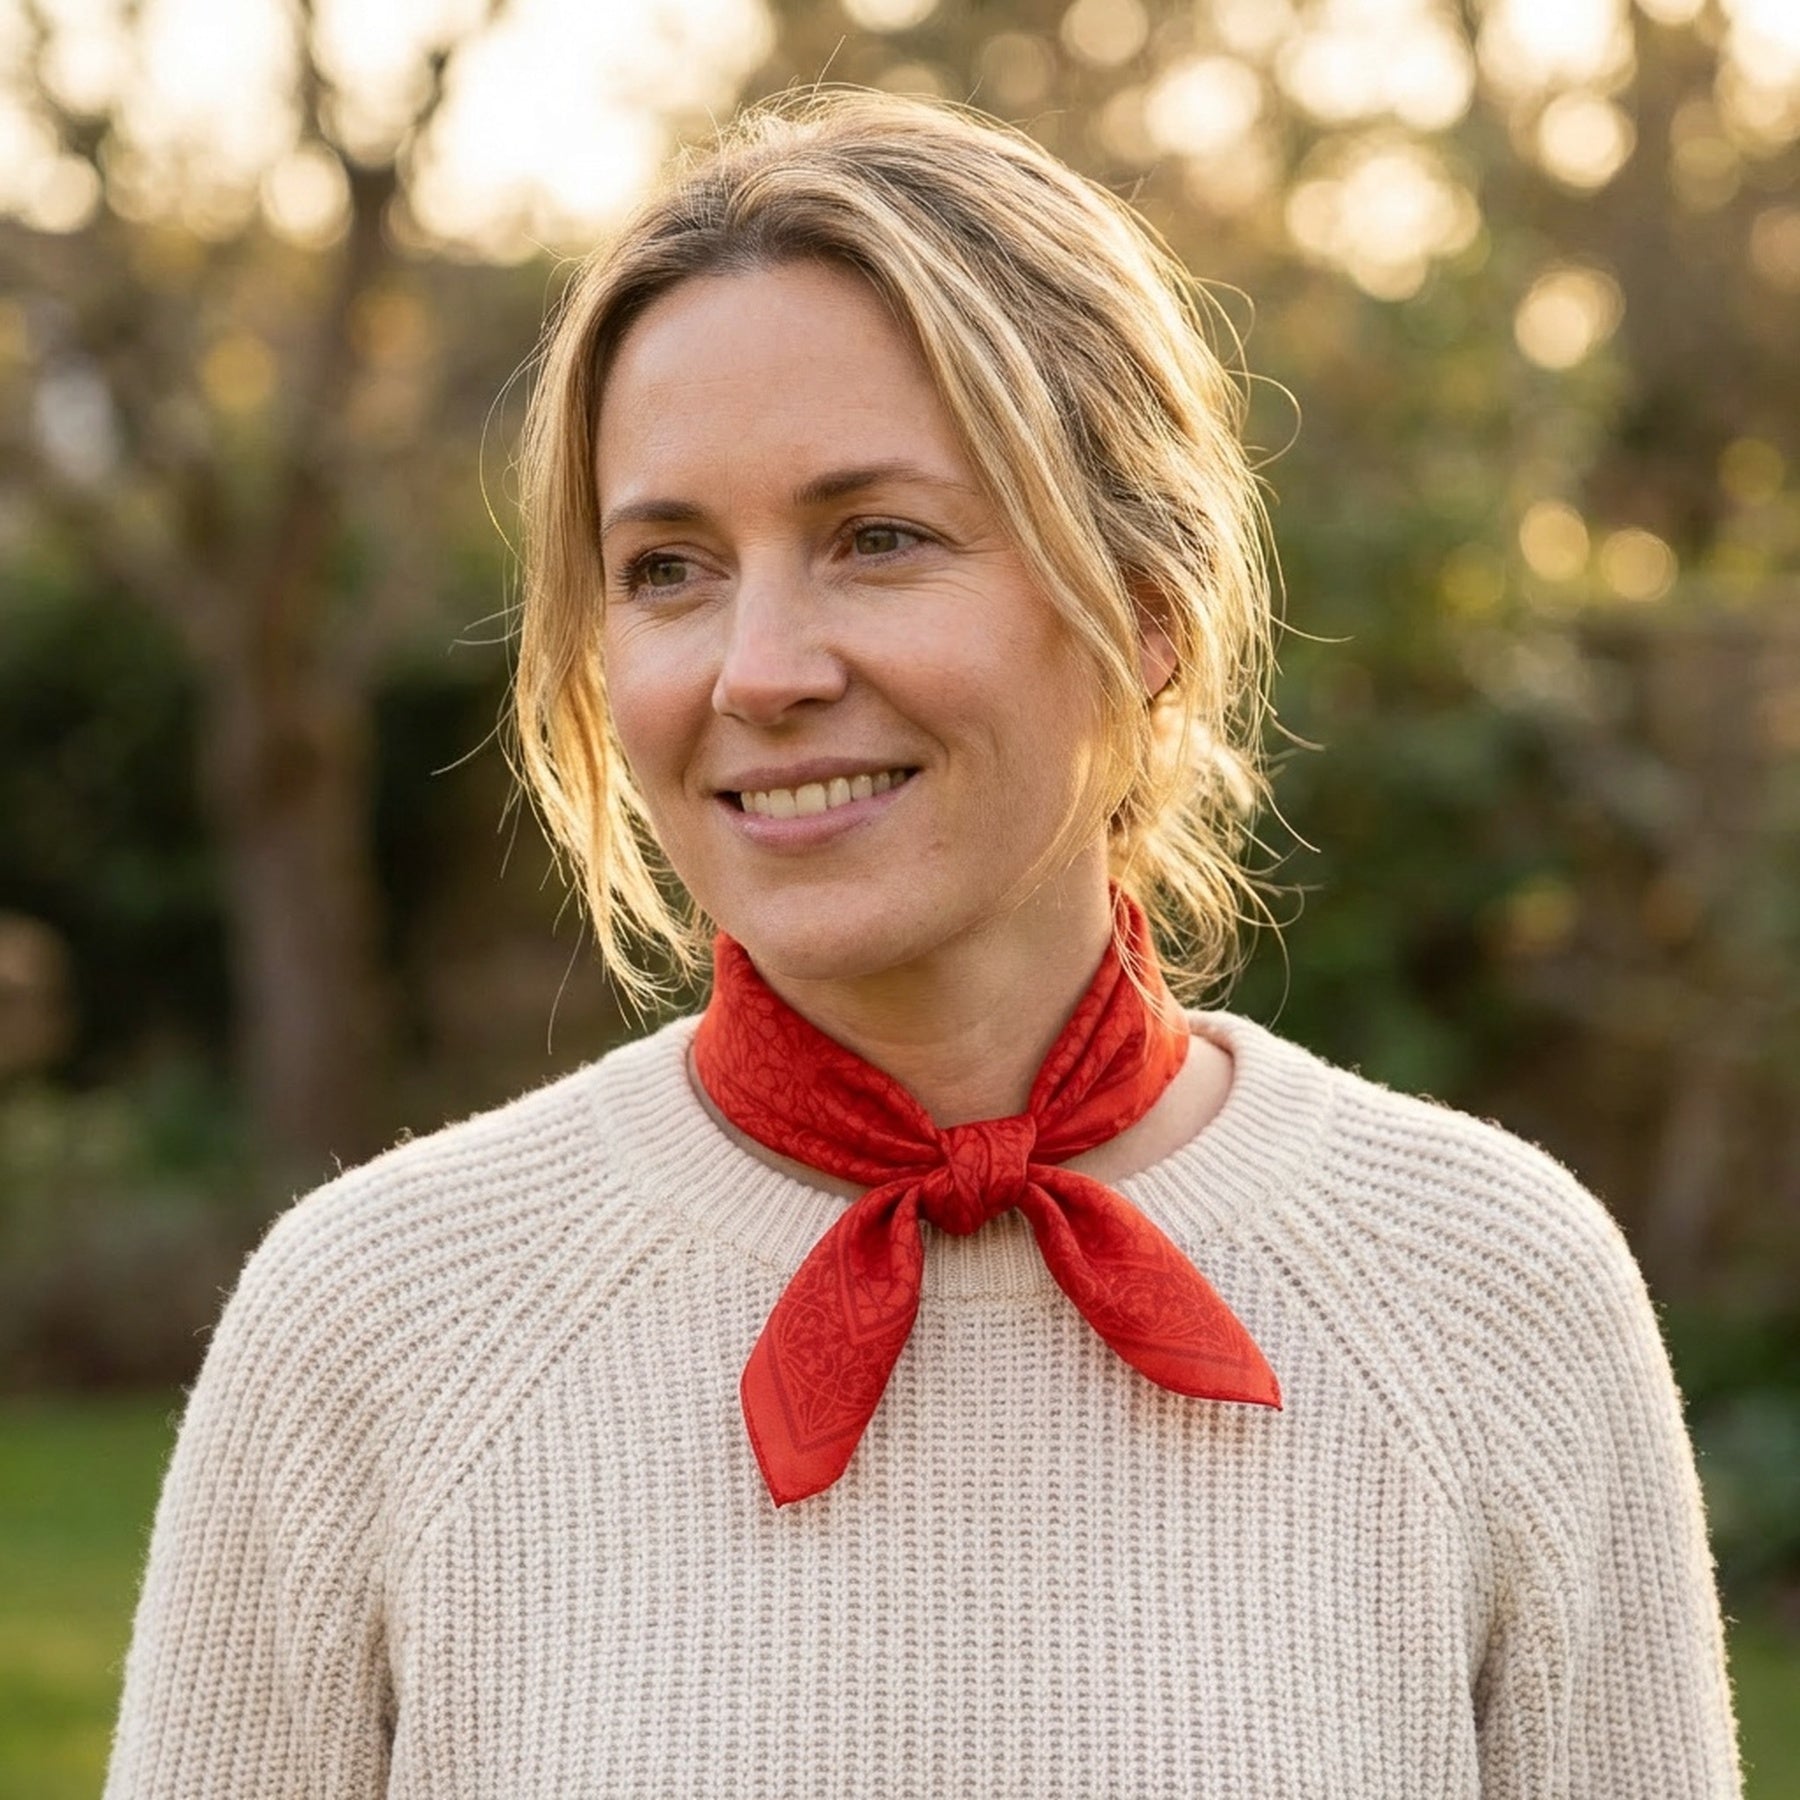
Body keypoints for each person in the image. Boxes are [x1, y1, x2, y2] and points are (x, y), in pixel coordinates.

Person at [105, 89, 1740, 1797]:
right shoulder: (374, 1326)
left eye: (876, 538)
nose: (761, 667)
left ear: (1146, 607)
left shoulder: (1491, 1296)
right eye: (668, 567)